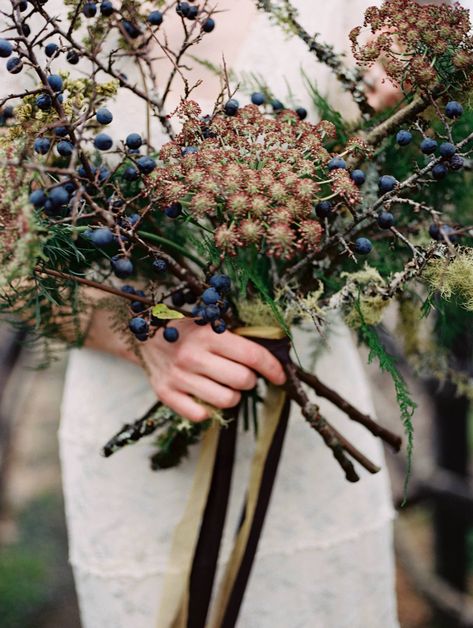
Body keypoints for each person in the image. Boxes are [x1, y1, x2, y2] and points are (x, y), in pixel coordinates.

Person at [5, 1, 401, 626]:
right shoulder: (34, 19)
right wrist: (140, 335)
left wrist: (420, 88)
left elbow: (398, 148)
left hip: (306, 423)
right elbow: (13, 250)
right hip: (135, 414)